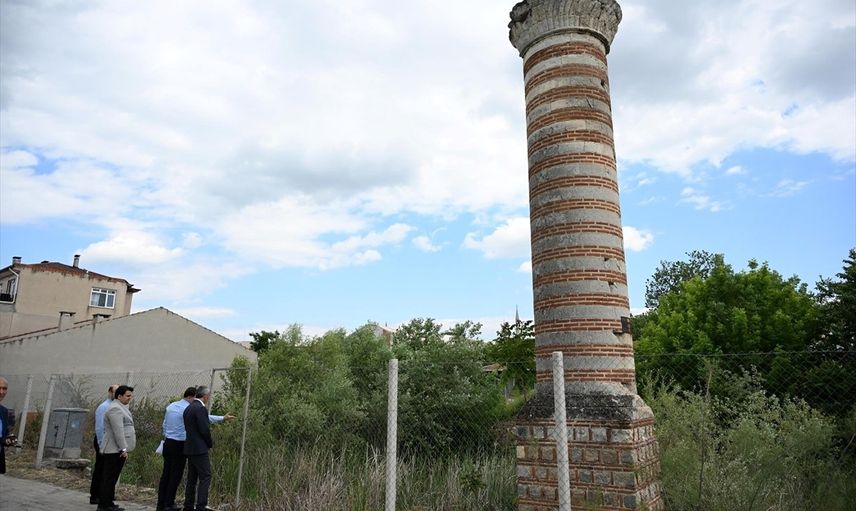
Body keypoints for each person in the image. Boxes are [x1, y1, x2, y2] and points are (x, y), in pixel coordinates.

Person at [156, 387, 234, 511]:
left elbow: (164, 424)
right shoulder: (191, 408)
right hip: (181, 444)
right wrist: (221, 420)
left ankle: (162, 504)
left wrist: (166, 436)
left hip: (168, 442)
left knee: (166, 475)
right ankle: (171, 504)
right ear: (191, 397)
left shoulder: (171, 406)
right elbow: (205, 421)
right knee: (178, 475)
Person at [98, 385, 135, 511]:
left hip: (116, 449)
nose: (130, 398)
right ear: (119, 396)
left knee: (112, 477)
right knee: (109, 477)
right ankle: (104, 505)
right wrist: (123, 449)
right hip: (114, 449)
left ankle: (108, 502)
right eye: (127, 396)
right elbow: (118, 430)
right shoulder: (115, 409)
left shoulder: (121, 407)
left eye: (130, 396)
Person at [183, 386, 215, 511]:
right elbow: (204, 429)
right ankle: (201, 505)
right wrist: (209, 443)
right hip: (200, 448)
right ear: (205, 396)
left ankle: (188, 504)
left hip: (189, 447)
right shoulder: (200, 409)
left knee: (192, 478)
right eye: (209, 396)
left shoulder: (189, 408)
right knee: (205, 476)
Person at [90, 384, 118, 505]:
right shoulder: (104, 407)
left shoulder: (115, 406)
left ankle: (106, 494)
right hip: (103, 441)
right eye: (115, 392)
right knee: (101, 468)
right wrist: (102, 444)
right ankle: (95, 495)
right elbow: (100, 427)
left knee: (108, 470)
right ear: (110, 392)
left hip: (111, 442)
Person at [0, 376, 16, 475]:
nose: (1, 392)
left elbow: (5, 435)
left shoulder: (6, 412)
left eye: (4, 388)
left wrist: (10, 440)